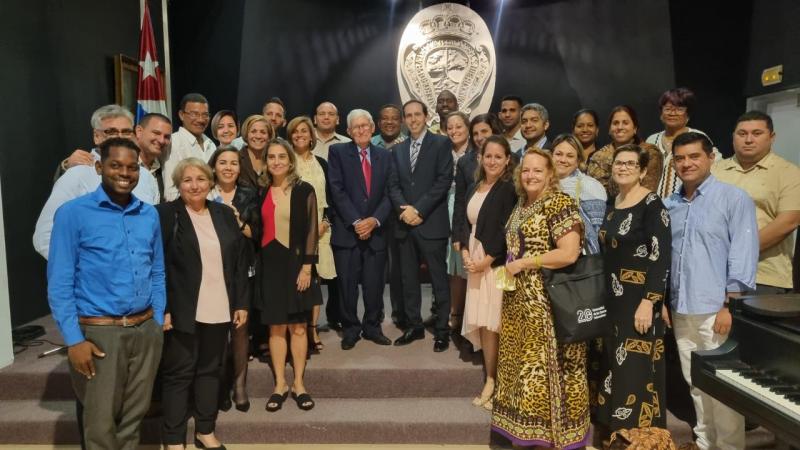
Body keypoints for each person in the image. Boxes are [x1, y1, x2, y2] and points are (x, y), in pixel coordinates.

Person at [47, 137, 165, 450]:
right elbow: (60, 283)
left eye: (131, 167)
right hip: (100, 335)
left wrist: (157, 317)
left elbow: (157, 270)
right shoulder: (72, 214)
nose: (124, 173)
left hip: (145, 330)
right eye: (116, 166)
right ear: (100, 167)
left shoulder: (148, 215)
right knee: (100, 426)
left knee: (133, 419)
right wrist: (73, 339)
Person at [664, 132, 759, 450]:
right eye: (680, 158)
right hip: (681, 308)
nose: (687, 163)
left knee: (724, 387)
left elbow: (743, 256)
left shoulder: (734, 199)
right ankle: (705, 442)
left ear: (710, 158)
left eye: (694, 156)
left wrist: (729, 306)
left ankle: (730, 447)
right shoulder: (670, 205)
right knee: (695, 384)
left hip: (717, 309)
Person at [493, 148, 589, 449]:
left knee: (543, 371)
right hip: (518, 303)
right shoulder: (522, 204)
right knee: (521, 370)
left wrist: (525, 263)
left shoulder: (559, 203)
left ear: (550, 174)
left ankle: (553, 438)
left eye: (537, 170)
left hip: (547, 305)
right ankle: (524, 433)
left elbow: (569, 252)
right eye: (526, 171)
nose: (530, 175)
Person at [157, 157, 249, 450]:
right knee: (179, 373)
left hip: (220, 306)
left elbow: (238, 263)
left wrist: (241, 303)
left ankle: (205, 431)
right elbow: (156, 265)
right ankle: (173, 439)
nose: (194, 185)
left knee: (211, 370)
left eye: (200, 179)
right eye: (187, 180)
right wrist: (164, 307)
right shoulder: (165, 214)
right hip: (182, 309)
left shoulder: (223, 213)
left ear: (211, 182)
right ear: (177, 185)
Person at [596, 144, 671, 437]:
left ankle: (637, 438)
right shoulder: (615, 202)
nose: (623, 167)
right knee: (615, 366)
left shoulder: (652, 205)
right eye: (619, 163)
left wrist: (650, 302)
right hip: (613, 301)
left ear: (642, 170)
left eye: (630, 163)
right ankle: (615, 434)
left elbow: (660, 256)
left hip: (638, 302)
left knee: (635, 371)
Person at [33, 106, 159, 259]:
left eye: (126, 132)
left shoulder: (146, 177)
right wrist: (85, 271)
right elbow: (45, 235)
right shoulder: (76, 175)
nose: (119, 137)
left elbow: (152, 233)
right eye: (111, 131)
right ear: (96, 136)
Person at [256, 138, 321, 412]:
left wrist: (307, 267)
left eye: (282, 156)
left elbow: (311, 231)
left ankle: (299, 384)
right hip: (269, 266)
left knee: (297, 325)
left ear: (290, 160)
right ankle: (280, 384)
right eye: (271, 157)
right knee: (276, 326)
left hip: (296, 266)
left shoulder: (304, 189)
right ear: (266, 161)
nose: (277, 161)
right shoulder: (260, 191)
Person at [454, 135, 516, 410]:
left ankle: (505, 383)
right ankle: (491, 379)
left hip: (499, 266)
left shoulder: (509, 189)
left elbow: (509, 231)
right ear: (481, 158)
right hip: (475, 262)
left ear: (507, 160)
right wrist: (466, 254)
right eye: (487, 156)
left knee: (501, 322)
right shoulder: (475, 186)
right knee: (486, 325)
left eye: (498, 157)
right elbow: (464, 222)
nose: (492, 161)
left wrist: (487, 260)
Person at [388, 99, 453, 352]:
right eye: (409, 115)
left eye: (417, 114)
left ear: (426, 117)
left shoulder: (441, 143)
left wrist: (419, 209)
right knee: (408, 279)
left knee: (438, 280)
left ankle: (442, 330)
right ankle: (414, 326)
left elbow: (443, 180)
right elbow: (393, 185)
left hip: (431, 222)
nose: (413, 119)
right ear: (404, 120)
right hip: (405, 224)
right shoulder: (398, 150)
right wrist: (405, 211)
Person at [713, 111, 800, 295]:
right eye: (742, 134)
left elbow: (788, 222)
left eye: (757, 133)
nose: (749, 139)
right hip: (712, 272)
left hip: (763, 277)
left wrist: (735, 254)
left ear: (772, 137)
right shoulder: (715, 170)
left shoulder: (789, 172)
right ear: (733, 137)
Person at [328, 109, 393, 349]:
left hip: (376, 231)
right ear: (348, 131)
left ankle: (372, 327)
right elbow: (336, 190)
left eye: (365, 125)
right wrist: (357, 222)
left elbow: (390, 193)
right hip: (348, 232)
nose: (361, 130)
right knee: (347, 284)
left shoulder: (385, 156)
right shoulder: (337, 152)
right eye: (356, 127)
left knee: (374, 284)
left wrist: (374, 220)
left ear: (373, 127)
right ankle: (351, 329)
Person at [207, 146, 260, 413]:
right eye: (223, 162)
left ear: (240, 168)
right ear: (214, 166)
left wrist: (238, 221)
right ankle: (219, 385)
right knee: (216, 332)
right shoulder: (203, 192)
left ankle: (239, 385)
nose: (228, 167)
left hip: (243, 270)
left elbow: (258, 234)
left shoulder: (249, 194)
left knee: (240, 330)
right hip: (210, 273)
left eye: (233, 163)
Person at [287, 115, 337, 352]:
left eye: (304, 132)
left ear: (311, 136)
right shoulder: (286, 163)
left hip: (320, 231)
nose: (299, 135)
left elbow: (330, 200)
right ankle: (296, 328)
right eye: (295, 132)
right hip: (293, 232)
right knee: (296, 280)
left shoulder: (322, 163)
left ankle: (312, 328)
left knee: (315, 281)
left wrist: (325, 222)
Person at [370, 103, 408, 328]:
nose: (390, 122)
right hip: (373, 214)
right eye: (385, 118)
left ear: (401, 121)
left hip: (397, 215)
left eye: (394, 118)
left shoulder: (408, 143)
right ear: (378, 122)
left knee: (397, 269)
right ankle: (375, 313)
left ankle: (399, 312)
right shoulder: (369, 143)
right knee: (375, 269)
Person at [646, 88, 720, 199]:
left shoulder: (697, 136)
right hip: (654, 205)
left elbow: (716, 166)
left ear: (688, 114)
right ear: (661, 113)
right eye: (668, 109)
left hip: (688, 202)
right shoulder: (652, 139)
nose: (672, 113)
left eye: (679, 109)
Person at [586, 105, 663, 197]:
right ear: (610, 129)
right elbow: (596, 192)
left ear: (635, 128)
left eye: (625, 123)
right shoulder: (599, 156)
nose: (620, 127)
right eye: (615, 123)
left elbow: (648, 189)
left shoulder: (649, 153)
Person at [551, 133, 607, 254]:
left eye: (570, 156)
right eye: (558, 154)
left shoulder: (590, 186)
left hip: (578, 260)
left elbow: (596, 235)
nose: (562, 160)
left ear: (578, 160)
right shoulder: (540, 183)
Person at [443, 111, 471, 332]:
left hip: (466, 208)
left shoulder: (476, 152)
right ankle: (453, 311)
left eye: (458, 126)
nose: (454, 131)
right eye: (450, 127)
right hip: (443, 208)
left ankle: (468, 314)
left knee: (467, 262)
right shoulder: (443, 150)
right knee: (450, 265)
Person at [162, 93, 217, 200]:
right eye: (194, 114)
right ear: (181, 115)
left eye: (205, 115)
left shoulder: (210, 144)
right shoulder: (174, 142)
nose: (200, 120)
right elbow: (171, 191)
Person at [237, 114, 275, 188]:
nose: (258, 136)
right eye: (253, 131)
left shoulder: (274, 160)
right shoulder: (236, 158)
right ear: (246, 134)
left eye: (263, 132)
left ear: (269, 137)